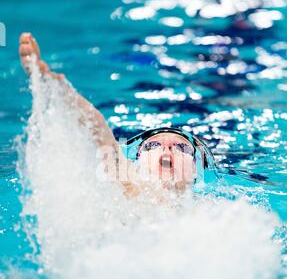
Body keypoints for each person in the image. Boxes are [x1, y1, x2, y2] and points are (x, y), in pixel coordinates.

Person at [19, 33, 216, 198]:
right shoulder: (129, 189)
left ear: (196, 169)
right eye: (153, 145)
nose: (167, 150)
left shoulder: (214, 215)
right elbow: (97, 129)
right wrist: (53, 85)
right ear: (135, 163)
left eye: (181, 147)